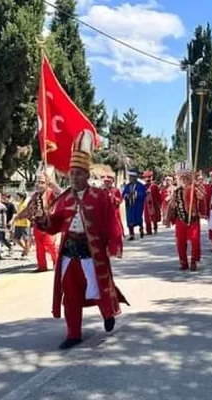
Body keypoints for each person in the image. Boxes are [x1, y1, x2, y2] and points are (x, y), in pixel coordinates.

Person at [34, 130, 128, 349]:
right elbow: (54, 224)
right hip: (68, 254)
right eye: (71, 174)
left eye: (78, 174)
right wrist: (42, 219)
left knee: (99, 289)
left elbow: (111, 223)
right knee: (71, 295)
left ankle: (108, 313)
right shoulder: (64, 198)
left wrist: (114, 244)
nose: (74, 178)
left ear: (86, 175)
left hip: (92, 254)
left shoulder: (100, 197)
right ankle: (73, 333)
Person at [167, 168, 207, 270]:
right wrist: (168, 217)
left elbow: (202, 198)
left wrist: (198, 188)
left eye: (186, 178)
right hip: (180, 219)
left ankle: (194, 261)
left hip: (193, 219)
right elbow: (172, 205)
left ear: (189, 179)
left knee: (195, 241)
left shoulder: (195, 189)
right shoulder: (177, 191)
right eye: (182, 178)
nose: (184, 180)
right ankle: (183, 262)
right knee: (180, 242)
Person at [30, 172, 60, 272]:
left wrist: (53, 185)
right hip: (37, 223)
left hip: (49, 223)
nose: (39, 184)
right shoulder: (34, 195)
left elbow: (60, 194)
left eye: (42, 182)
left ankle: (57, 263)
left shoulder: (51, 193)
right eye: (38, 182)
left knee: (51, 244)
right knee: (39, 246)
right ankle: (42, 266)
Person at [122, 168, 146, 240]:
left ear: (135, 178)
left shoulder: (140, 186)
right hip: (129, 205)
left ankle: (141, 228)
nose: (130, 178)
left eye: (132, 177)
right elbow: (123, 194)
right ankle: (131, 234)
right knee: (130, 219)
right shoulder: (127, 186)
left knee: (138, 217)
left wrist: (135, 194)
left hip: (137, 204)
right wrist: (127, 195)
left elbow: (142, 194)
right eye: (129, 177)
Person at [142, 170, 162, 235]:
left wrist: (159, 203)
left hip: (154, 203)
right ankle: (148, 231)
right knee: (147, 218)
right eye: (146, 177)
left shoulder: (154, 186)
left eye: (149, 177)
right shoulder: (143, 187)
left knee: (154, 217)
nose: (148, 179)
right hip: (146, 204)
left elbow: (158, 195)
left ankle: (155, 228)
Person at [12, 192, 31, 258]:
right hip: (18, 224)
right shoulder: (19, 204)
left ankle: (26, 251)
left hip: (24, 224)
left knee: (26, 239)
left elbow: (27, 214)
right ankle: (25, 249)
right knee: (16, 239)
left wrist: (19, 217)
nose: (16, 198)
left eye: (18, 196)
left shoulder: (25, 205)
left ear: (22, 198)